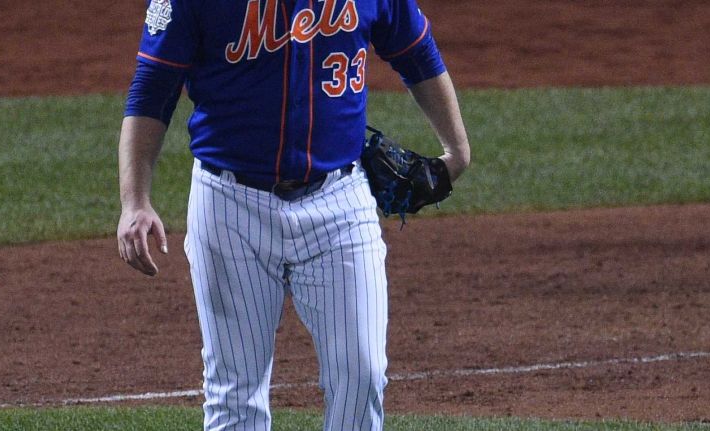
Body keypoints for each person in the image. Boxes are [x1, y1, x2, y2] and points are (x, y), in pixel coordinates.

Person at [116, 0, 470, 429]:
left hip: (340, 203)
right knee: (236, 394)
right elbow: (153, 85)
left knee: (363, 375)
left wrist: (456, 148)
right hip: (229, 206)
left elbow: (415, 50)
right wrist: (135, 201)